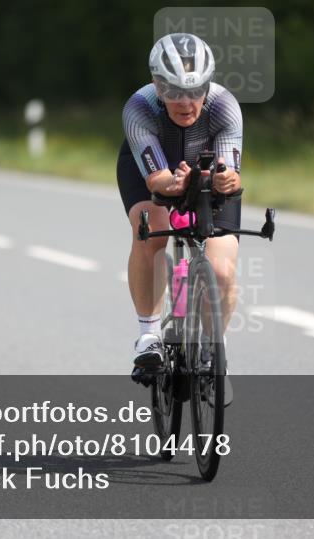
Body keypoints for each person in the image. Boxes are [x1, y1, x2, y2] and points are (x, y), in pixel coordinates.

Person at [118, 33, 243, 374]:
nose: (186, 102)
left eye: (195, 90)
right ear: (157, 86)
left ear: (208, 85)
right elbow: (156, 180)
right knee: (152, 230)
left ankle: (216, 349)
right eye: (173, 91)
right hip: (153, 169)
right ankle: (148, 336)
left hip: (203, 168)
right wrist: (174, 183)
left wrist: (224, 179)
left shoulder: (224, 105)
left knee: (220, 269)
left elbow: (231, 174)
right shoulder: (140, 107)